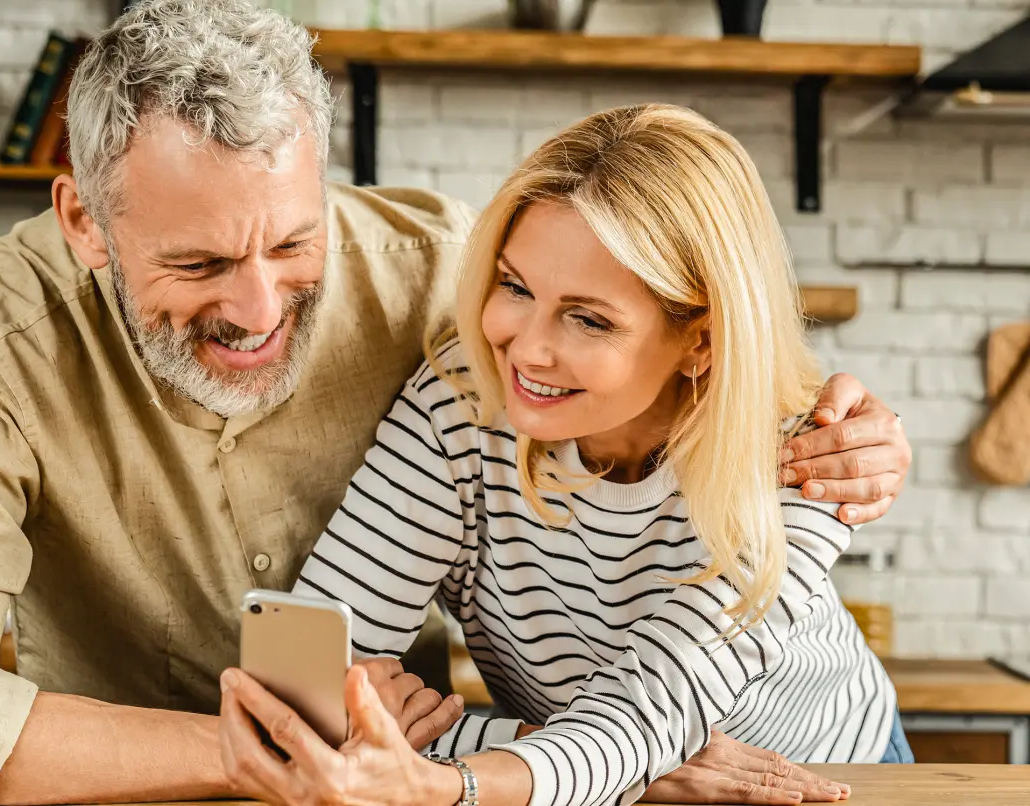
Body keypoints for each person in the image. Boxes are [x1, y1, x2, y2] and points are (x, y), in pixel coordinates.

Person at [0, 2, 911, 805]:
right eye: (198, 260)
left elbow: (652, 692)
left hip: (813, 778)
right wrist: (343, 749)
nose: (257, 307)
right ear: (85, 222)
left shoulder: (449, 287)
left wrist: (864, 446)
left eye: (296, 241)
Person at [217, 104, 911, 806]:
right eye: (515, 287)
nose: (526, 348)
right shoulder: (461, 400)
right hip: (570, 782)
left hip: (826, 779)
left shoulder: (799, 458)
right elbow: (302, 687)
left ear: (700, 340)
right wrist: (600, 764)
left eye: (588, 318)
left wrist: (441, 776)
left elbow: (649, 710)